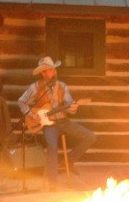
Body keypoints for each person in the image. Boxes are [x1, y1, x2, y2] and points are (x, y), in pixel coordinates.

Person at [18, 57, 96, 189]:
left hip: (63, 121)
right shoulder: (35, 87)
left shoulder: (62, 86)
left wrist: (73, 108)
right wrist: (33, 115)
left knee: (91, 137)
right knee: (52, 147)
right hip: (49, 124)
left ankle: (67, 161)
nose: (54, 71)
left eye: (54, 69)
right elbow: (21, 101)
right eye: (50, 70)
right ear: (43, 73)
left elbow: (69, 104)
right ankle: (52, 183)